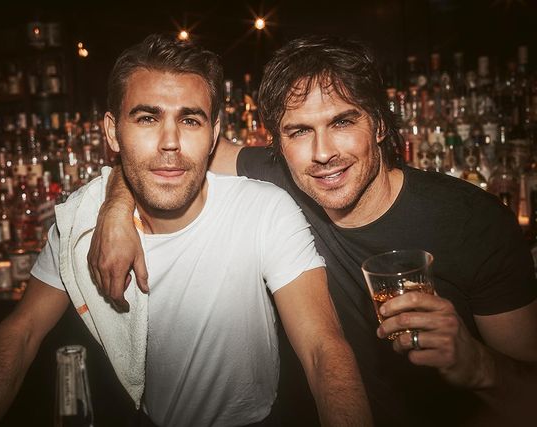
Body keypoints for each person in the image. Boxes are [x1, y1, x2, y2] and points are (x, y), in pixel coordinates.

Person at [88, 35, 537, 426]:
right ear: (279, 143)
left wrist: (479, 365)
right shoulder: (280, 176)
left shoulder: (471, 223)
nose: (322, 153)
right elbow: (163, 154)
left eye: (342, 121)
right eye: (299, 131)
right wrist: (116, 208)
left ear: (380, 123)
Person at [0, 34, 371, 427]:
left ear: (214, 133)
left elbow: (323, 349)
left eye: (189, 120)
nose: (169, 142)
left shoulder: (264, 210)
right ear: (112, 131)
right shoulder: (81, 224)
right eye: (147, 118)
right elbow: (20, 333)